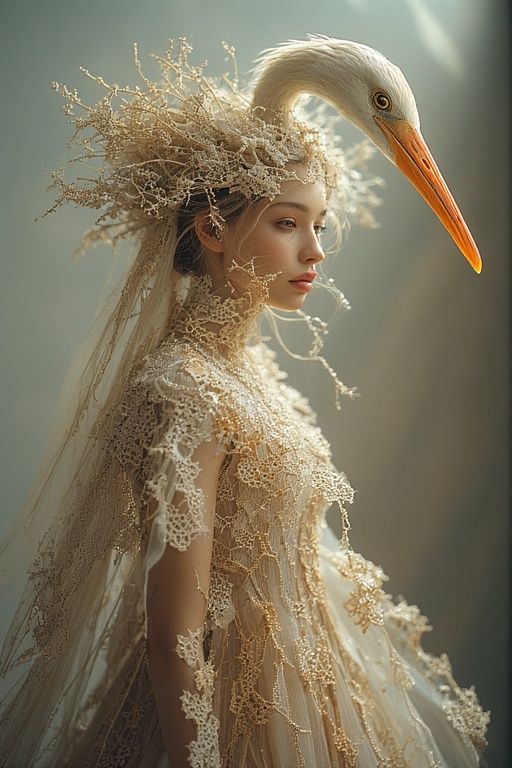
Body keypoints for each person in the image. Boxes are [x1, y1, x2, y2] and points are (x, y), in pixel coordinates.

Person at [0, 38, 489, 767]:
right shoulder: (185, 388)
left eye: (319, 224)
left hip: (305, 708)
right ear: (213, 229)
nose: (316, 252)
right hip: (220, 729)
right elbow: (172, 637)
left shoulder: (248, 372)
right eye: (288, 223)